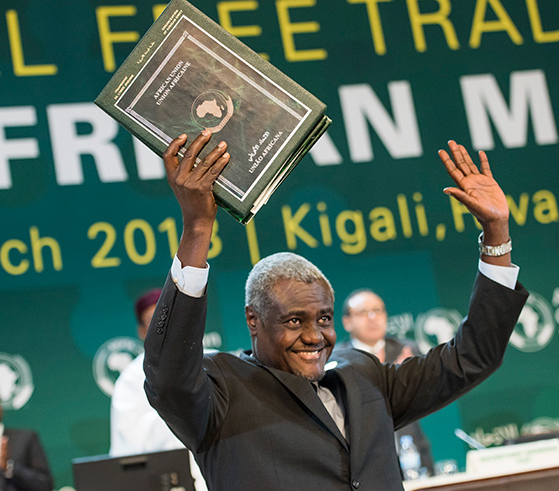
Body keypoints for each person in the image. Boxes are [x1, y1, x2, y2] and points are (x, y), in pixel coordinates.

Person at [144, 131, 528, 490]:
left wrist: (496, 234)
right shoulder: (221, 390)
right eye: (295, 320)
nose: (315, 336)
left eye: (323, 319)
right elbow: (169, 377)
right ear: (253, 321)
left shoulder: (363, 375)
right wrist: (197, 227)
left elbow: (471, 357)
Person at [110, 289, 209, 491]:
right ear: (141, 331)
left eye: (171, 318)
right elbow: (129, 450)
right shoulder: (132, 379)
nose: (164, 327)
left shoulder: (210, 360)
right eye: (154, 320)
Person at [337, 293, 436, 478]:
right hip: (368, 463)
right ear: (347, 322)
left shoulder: (407, 350)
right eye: (363, 312)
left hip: (413, 454)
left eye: (377, 310)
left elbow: (426, 398)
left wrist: (409, 375)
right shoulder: (338, 360)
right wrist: (395, 378)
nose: (372, 318)